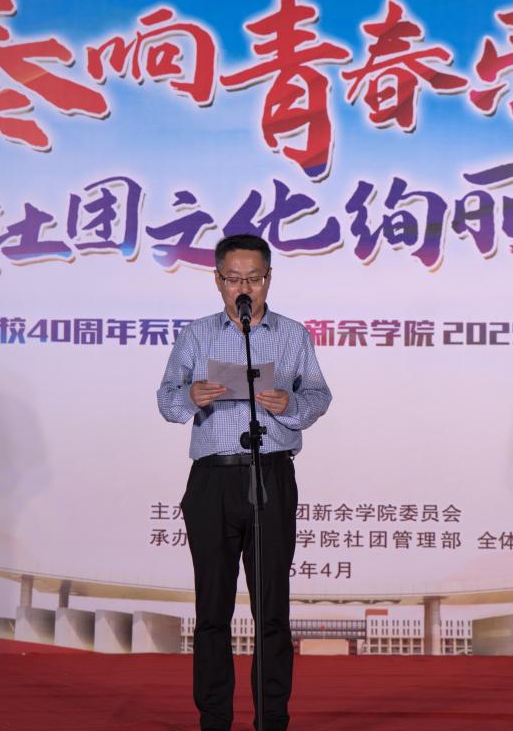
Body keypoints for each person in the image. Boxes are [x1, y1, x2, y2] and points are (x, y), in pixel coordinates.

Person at [157, 234, 332, 731]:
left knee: (271, 610)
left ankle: (271, 718)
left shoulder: (292, 335)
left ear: (268, 279)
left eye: (254, 279)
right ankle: (214, 718)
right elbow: (166, 400)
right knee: (212, 610)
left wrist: (291, 405)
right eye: (234, 279)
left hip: (270, 475)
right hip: (212, 480)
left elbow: (319, 395)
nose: (244, 288)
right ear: (218, 281)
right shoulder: (196, 336)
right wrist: (190, 395)